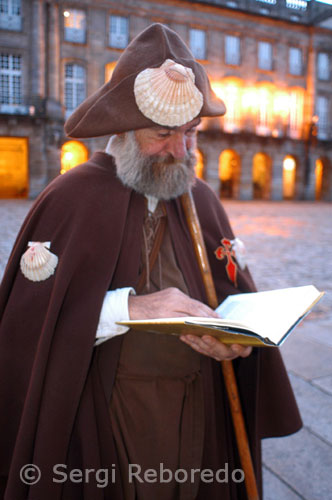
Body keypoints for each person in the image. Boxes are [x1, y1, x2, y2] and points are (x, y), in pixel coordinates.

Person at [0, 24, 301, 500]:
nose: (181, 151)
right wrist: (124, 309)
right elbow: (24, 327)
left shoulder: (200, 197)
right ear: (123, 127)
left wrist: (237, 343)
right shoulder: (71, 196)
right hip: (105, 425)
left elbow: (232, 299)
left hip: (201, 419)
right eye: (163, 134)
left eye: (192, 133)